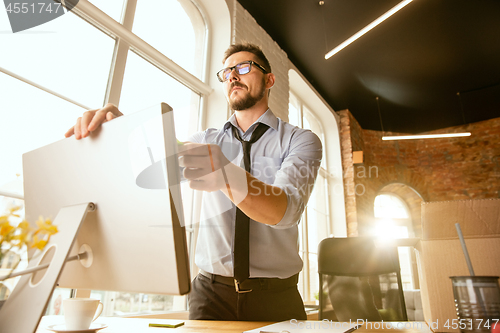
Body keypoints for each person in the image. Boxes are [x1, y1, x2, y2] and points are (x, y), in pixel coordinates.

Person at [65, 43, 322, 321]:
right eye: (226, 72)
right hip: (210, 296)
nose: (233, 76)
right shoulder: (204, 141)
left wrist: (225, 172)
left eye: (244, 67)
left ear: (269, 79)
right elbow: (155, 160)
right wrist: (120, 127)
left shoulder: (301, 140)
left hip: (277, 298)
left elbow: (283, 211)